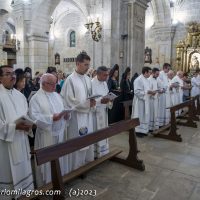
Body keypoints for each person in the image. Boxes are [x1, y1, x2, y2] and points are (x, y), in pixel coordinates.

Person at [29, 73, 70, 186]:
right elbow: (34, 117)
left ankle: (60, 180)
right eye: (52, 84)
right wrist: (51, 118)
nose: (55, 86)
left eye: (55, 83)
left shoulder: (56, 95)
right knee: (47, 162)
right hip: (46, 135)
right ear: (43, 84)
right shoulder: (36, 98)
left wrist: (66, 116)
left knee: (59, 158)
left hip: (60, 133)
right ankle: (47, 183)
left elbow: (63, 109)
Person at [0, 65, 34, 199]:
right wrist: (15, 127)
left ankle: (24, 193)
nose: (12, 76)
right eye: (8, 74)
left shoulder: (20, 96)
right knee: (8, 172)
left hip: (21, 139)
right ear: (0, 78)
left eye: (13, 73)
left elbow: (26, 115)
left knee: (23, 167)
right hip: (5, 144)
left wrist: (28, 125)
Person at [61, 52, 96, 171]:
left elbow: (89, 95)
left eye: (88, 65)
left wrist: (93, 101)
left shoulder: (87, 79)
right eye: (85, 65)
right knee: (78, 142)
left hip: (87, 116)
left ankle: (86, 163)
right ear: (78, 64)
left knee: (87, 140)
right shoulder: (70, 80)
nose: (87, 67)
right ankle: (75, 168)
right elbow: (69, 101)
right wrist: (87, 104)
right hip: (77, 118)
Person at [91, 66, 112, 158]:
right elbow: (90, 101)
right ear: (98, 74)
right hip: (95, 114)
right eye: (105, 75)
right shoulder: (91, 84)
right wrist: (100, 101)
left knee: (104, 132)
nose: (107, 77)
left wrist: (110, 100)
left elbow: (107, 95)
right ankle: (96, 153)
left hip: (103, 112)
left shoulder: (104, 83)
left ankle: (103, 152)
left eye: (107, 75)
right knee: (96, 132)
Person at [131, 67, 153, 137]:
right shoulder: (138, 80)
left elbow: (148, 89)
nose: (150, 74)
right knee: (139, 115)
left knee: (144, 116)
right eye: (149, 72)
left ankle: (143, 130)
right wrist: (147, 92)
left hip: (145, 101)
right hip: (139, 101)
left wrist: (151, 92)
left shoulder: (146, 80)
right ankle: (137, 131)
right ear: (145, 72)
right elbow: (137, 92)